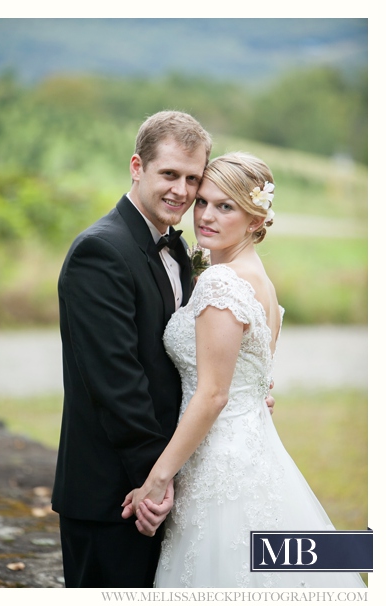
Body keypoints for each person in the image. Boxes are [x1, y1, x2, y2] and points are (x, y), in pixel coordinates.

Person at [122, 152, 365, 588]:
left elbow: (214, 395)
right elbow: (256, 381)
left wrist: (156, 480)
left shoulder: (222, 282)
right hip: (252, 452)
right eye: (203, 203)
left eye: (225, 206)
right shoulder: (260, 281)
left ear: (256, 218)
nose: (206, 216)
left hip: (217, 465)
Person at [51, 111, 213, 588]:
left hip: (158, 479)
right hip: (114, 493)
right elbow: (116, 383)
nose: (181, 191)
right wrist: (154, 484)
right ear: (137, 167)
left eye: (192, 178)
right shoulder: (99, 252)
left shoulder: (175, 249)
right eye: (169, 174)